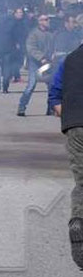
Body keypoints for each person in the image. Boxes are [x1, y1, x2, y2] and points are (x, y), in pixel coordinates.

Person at [48, 44, 83, 270]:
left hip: (75, 126)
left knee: (82, 181)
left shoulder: (70, 58)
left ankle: (78, 220)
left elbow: (55, 97)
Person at [17, 15, 53, 117]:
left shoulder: (50, 34)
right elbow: (31, 48)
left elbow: (53, 47)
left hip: (47, 64)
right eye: (46, 20)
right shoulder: (33, 34)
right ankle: (21, 107)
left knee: (51, 87)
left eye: (48, 19)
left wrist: (52, 55)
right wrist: (41, 58)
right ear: (40, 22)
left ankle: (50, 108)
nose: (48, 21)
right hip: (35, 63)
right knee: (31, 86)